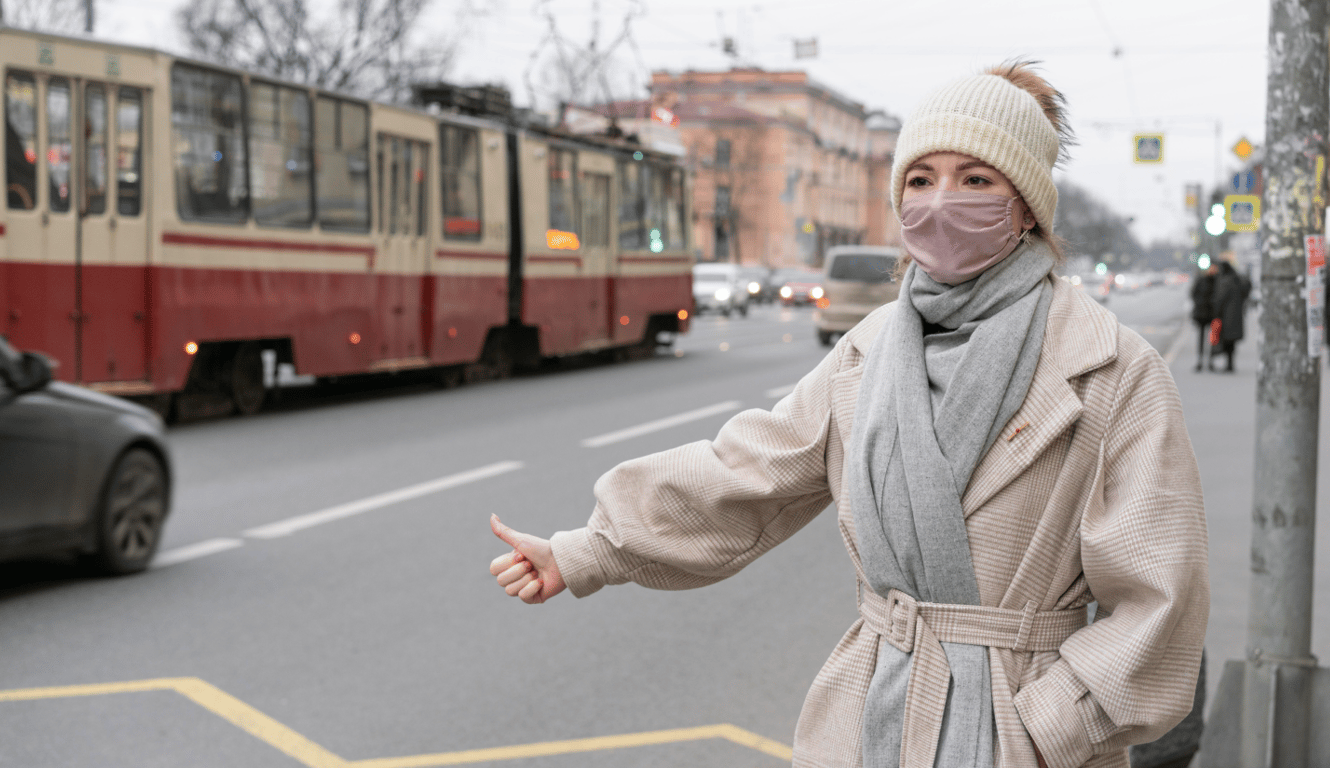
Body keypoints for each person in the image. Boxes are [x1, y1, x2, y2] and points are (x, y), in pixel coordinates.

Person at [489, 61, 1208, 768]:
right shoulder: (868, 353)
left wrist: (1044, 728)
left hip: (1027, 737)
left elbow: (1161, 600)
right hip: (870, 722)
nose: (939, 202)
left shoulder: (1111, 367)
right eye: (920, 180)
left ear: (1025, 206)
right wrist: (588, 550)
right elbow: (748, 473)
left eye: (975, 180)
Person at [1209, 261, 1247, 373]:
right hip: (1237, 316)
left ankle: (1227, 364)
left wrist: (1216, 312)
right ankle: (1231, 363)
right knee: (1232, 342)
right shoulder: (1238, 280)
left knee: (1225, 340)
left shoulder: (1224, 281)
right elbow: (1246, 291)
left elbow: (1220, 299)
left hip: (1226, 316)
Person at [1189, 264, 1217, 372]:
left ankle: (1210, 361)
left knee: (1212, 339)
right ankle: (1200, 361)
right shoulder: (1202, 280)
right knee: (1201, 338)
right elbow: (1193, 294)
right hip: (1202, 313)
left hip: (1211, 313)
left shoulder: (1215, 281)